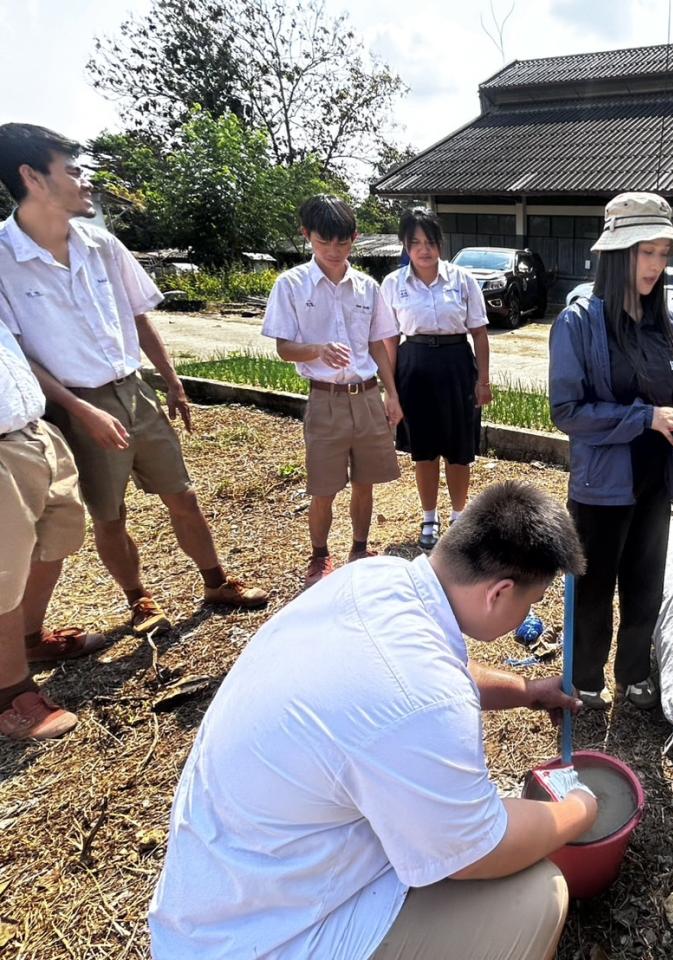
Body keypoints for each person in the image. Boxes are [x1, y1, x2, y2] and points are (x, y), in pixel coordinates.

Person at [148, 481, 594, 960]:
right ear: (499, 592)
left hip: (226, 891)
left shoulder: (374, 579)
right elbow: (480, 850)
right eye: (530, 602)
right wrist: (580, 810)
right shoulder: (424, 699)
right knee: (533, 898)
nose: (527, 612)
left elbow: (434, 668)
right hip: (268, 940)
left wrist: (526, 692)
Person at [0, 123, 267, 633]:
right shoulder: (4, 259)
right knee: (110, 514)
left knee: (181, 494)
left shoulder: (101, 245)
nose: (85, 181)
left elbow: (139, 316)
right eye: (72, 171)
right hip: (74, 401)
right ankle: (138, 598)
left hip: (133, 388)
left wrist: (170, 379)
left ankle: (215, 580)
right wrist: (82, 411)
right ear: (32, 177)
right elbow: (18, 356)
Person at [548, 192, 673, 710]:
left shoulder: (669, 324)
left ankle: (635, 673)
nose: (657, 265)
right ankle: (585, 681)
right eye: (645, 252)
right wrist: (644, 417)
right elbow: (567, 411)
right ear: (616, 253)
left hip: (655, 476)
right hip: (601, 483)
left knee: (645, 581)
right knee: (593, 589)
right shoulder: (579, 323)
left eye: (663, 253)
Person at [263, 195, 402, 588]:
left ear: (355, 238)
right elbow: (283, 347)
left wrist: (392, 394)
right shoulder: (290, 285)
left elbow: (377, 344)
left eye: (343, 243)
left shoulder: (367, 287)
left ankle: (360, 548)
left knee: (365, 481)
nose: (334, 252)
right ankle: (320, 557)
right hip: (325, 397)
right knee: (323, 486)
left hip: (368, 394)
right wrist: (319, 350)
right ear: (306, 235)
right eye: (325, 243)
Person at [0, 321, 109, 740]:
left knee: (56, 540)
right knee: (4, 570)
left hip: (33, 429)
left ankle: (29, 638)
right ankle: (9, 692)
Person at [381, 207, 491, 552]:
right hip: (413, 366)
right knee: (423, 449)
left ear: (440, 244)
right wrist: (391, 391)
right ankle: (430, 517)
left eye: (429, 242)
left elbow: (480, 334)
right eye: (415, 243)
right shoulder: (393, 284)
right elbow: (388, 340)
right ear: (404, 245)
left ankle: (459, 517)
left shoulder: (462, 280)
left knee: (460, 450)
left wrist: (483, 381)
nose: (423, 250)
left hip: (457, 365)